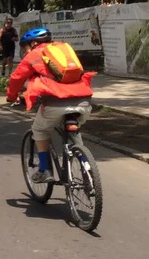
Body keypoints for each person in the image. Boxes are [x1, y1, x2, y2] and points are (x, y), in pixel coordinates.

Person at [6, 28, 94, 184]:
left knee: (39, 130)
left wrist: (11, 97)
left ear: (33, 43)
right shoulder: (64, 50)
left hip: (55, 103)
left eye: (25, 46)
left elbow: (16, 78)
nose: (24, 50)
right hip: (84, 101)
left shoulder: (34, 55)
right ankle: (87, 168)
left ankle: (44, 169)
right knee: (73, 129)